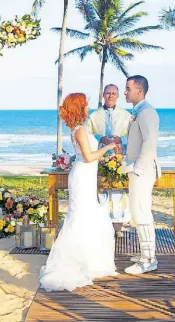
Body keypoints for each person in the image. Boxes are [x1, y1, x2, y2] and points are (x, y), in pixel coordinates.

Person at [39, 93, 118, 292]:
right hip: (83, 176)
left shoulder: (77, 129)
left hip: (84, 176)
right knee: (82, 216)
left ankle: (88, 260)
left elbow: (85, 155)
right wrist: (108, 147)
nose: (88, 106)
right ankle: (81, 262)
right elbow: (89, 157)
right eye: (86, 103)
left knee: (84, 215)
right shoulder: (80, 130)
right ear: (80, 107)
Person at [120, 75, 162, 275]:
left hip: (143, 170)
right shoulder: (138, 112)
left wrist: (138, 168)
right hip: (137, 168)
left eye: (128, 89)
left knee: (141, 212)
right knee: (137, 212)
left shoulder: (147, 112)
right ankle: (145, 252)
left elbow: (149, 143)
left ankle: (148, 259)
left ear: (139, 90)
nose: (125, 92)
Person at [85, 84, 133, 237]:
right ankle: (104, 226)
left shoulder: (126, 115)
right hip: (101, 159)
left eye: (113, 93)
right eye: (108, 93)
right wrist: (101, 138)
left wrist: (121, 139)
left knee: (119, 191)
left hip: (120, 158)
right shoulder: (94, 116)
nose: (111, 96)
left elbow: (133, 135)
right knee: (103, 191)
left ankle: (118, 228)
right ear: (103, 96)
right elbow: (86, 135)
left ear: (118, 96)